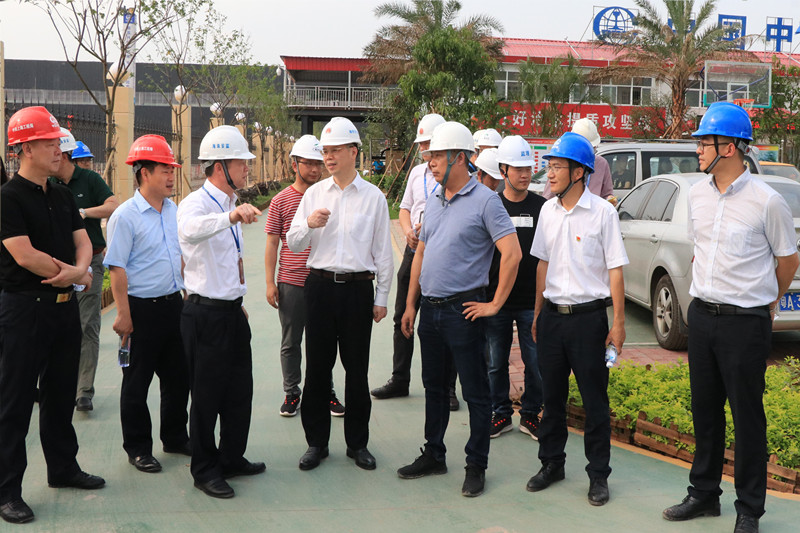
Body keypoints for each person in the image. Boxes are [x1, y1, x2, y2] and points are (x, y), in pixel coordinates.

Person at [662, 102, 799, 533]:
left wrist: (767, 300)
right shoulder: (697, 195)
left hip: (745, 323)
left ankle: (749, 509)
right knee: (705, 411)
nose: (698, 149)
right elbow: (701, 249)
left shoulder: (767, 201)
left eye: (705, 142)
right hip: (702, 316)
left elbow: (788, 260)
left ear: (731, 147)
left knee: (746, 417)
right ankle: (704, 494)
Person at [398, 121, 521, 498]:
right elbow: (421, 253)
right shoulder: (435, 198)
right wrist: (410, 304)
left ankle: (476, 465)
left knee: (475, 392)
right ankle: (434, 453)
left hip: (464, 312)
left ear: (459, 157)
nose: (430, 162)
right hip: (430, 312)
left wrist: (495, 304)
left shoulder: (486, 201)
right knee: (434, 387)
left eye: (437, 155)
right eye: (430, 155)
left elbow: (512, 254)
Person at [0, 106, 105, 525]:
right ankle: (8, 491)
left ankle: (62, 468)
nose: (58, 149)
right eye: (49, 143)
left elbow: (83, 240)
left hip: (63, 310)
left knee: (60, 394)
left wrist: (79, 270)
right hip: (25, 311)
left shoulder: (60, 194)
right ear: (25, 148)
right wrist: (73, 274)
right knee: (15, 402)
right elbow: (23, 255)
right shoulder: (8, 198)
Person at [527, 131, 627, 507]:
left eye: (557, 167)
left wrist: (618, 324)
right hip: (552, 319)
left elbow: (615, 270)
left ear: (579, 172)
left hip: (589, 322)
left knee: (594, 401)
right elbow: (542, 265)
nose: (550, 173)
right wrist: (538, 313)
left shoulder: (603, 213)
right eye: (549, 166)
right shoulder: (547, 211)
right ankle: (551, 463)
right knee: (551, 398)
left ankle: (598, 475)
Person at [287, 117, 393, 472]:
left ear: (353, 152)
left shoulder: (373, 198)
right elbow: (293, 242)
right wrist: (309, 224)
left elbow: (383, 252)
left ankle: (357, 443)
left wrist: (381, 297)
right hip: (319, 288)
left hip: (358, 290)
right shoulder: (314, 195)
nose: (328, 158)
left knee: (356, 370)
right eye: (325, 152)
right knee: (318, 369)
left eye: (334, 151)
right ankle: (316, 443)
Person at [177, 125, 265, 499]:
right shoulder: (196, 203)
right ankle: (204, 469)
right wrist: (230, 218)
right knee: (207, 396)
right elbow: (189, 231)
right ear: (219, 166)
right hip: (204, 315)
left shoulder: (230, 203)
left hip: (231, 313)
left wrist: (238, 302)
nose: (247, 168)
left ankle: (231, 458)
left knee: (239, 392)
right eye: (240, 162)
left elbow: (228, 263)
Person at [104, 135, 190, 474]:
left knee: (178, 377)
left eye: (172, 170)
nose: (171, 176)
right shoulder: (125, 216)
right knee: (136, 383)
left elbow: (180, 257)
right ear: (144, 173)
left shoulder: (173, 211)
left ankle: (175, 437)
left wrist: (186, 295)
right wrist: (124, 315)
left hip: (173, 306)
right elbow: (117, 268)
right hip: (140, 310)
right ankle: (138, 448)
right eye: (164, 170)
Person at [371, 113, 460, 411]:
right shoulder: (416, 174)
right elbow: (405, 209)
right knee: (402, 316)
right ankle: (400, 378)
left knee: (445, 321)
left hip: (443, 255)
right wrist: (408, 231)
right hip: (414, 251)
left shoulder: (454, 177)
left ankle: (448, 388)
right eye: (421, 144)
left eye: (427, 144)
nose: (423, 150)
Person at [265, 134, 344, 417]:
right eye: (308, 163)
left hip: (322, 282)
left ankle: (326, 392)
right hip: (291, 282)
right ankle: (292, 392)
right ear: (294, 164)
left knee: (323, 342)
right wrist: (270, 282)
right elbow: (272, 243)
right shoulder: (280, 201)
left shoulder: (329, 195)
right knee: (291, 341)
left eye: (317, 163)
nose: (314, 169)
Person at [49, 128, 118, 412]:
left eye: (55, 151)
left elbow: (113, 205)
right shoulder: (48, 184)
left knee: (87, 324)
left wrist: (85, 212)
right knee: (56, 326)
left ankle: (83, 391)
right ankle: (57, 384)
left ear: (64, 155)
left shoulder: (89, 179)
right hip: (57, 266)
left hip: (92, 263)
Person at [484, 136, 546, 441]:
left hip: (531, 301)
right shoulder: (490, 205)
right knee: (495, 363)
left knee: (535, 363)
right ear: (503, 170)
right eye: (518, 169)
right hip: (496, 299)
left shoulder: (542, 207)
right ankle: (501, 413)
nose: (524, 174)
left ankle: (530, 414)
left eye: (527, 168)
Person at [543, 118, 615, 205]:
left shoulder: (601, 163)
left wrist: (610, 199)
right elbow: (547, 197)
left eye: (592, 149)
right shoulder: (564, 164)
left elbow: (606, 194)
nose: (550, 175)